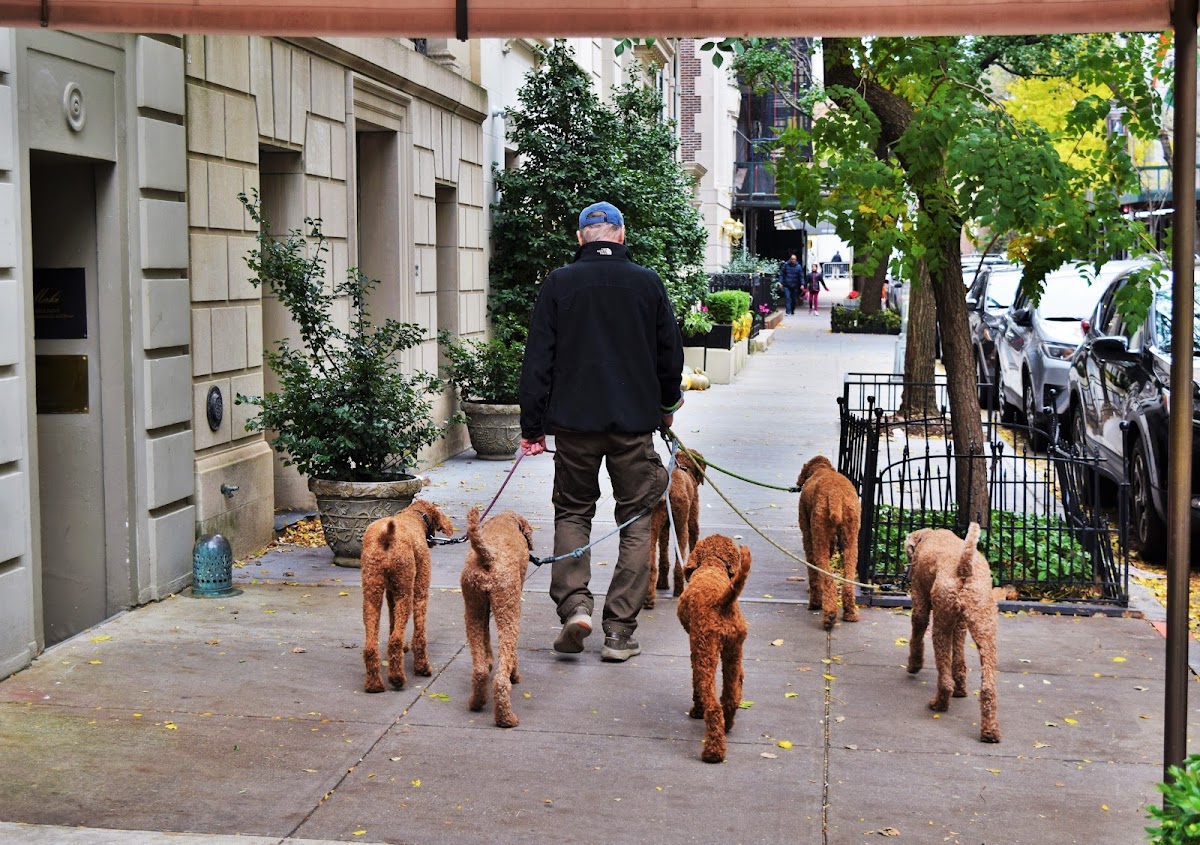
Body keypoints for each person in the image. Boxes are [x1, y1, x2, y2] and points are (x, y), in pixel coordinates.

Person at [519, 201, 684, 663]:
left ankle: (575, 606)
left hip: (573, 425)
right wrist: (667, 408)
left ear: (580, 239)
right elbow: (670, 357)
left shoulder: (559, 283)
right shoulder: (648, 283)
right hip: (633, 424)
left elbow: (538, 362)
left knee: (573, 512)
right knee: (636, 518)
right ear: (622, 235)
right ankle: (618, 631)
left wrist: (532, 427)